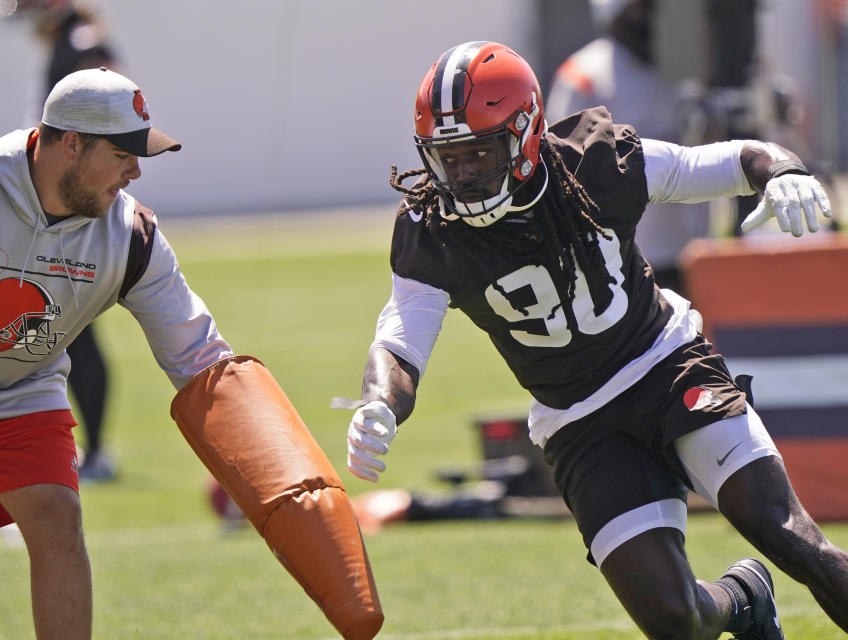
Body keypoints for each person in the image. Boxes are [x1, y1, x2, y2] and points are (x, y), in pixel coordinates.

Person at [344, 41, 848, 639]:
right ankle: (743, 599)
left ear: (527, 134)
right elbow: (401, 337)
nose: (464, 175)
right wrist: (380, 401)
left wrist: (783, 170)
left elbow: (728, 160)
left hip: (666, 366)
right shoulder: (431, 231)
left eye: (481, 153)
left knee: (783, 530)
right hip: (577, 416)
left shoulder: (595, 162)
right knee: (673, 618)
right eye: (448, 158)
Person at [0, 68, 228, 640]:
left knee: (58, 517)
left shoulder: (131, 234)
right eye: (123, 153)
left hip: (20, 396)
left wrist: (271, 460)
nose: (136, 171)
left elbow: (198, 355)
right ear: (71, 144)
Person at [1, 0, 122, 482]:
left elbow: (116, 116)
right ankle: (84, 450)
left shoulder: (84, 44)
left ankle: (93, 452)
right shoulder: (68, 41)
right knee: (61, 327)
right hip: (61, 207)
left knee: (69, 327)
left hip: (75, 210)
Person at [546, 0, 710, 293]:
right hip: (621, 258)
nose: (651, 18)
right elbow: (563, 166)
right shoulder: (585, 74)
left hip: (692, 251)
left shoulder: (687, 67)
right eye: (641, 8)